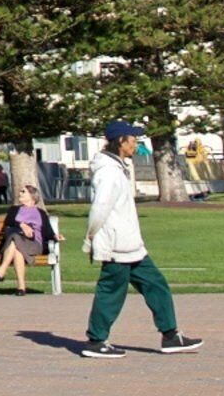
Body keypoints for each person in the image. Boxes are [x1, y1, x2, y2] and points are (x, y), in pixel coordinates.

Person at [77, 121, 203, 357]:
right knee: (112, 292)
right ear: (121, 142)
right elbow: (100, 207)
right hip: (116, 244)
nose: (136, 144)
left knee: (156, 285)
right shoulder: (109, 172)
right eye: (133, 140)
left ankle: (170, 335)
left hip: (131, 244)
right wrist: (91, 237)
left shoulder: (119, 167)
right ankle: (96, 340)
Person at [0, 184, 58, 291]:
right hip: (15, 242)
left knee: (15, 240)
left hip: (34, 244)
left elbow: (47, 231)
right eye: (20, 191)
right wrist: (22, 225)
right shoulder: (14, 209)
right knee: (17, 246)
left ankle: (2, 270)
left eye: (23, 192)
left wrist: (55, 236)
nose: (20, 193)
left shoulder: (40, 213)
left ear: (32, 196)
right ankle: (21, 286)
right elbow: (8, 222)